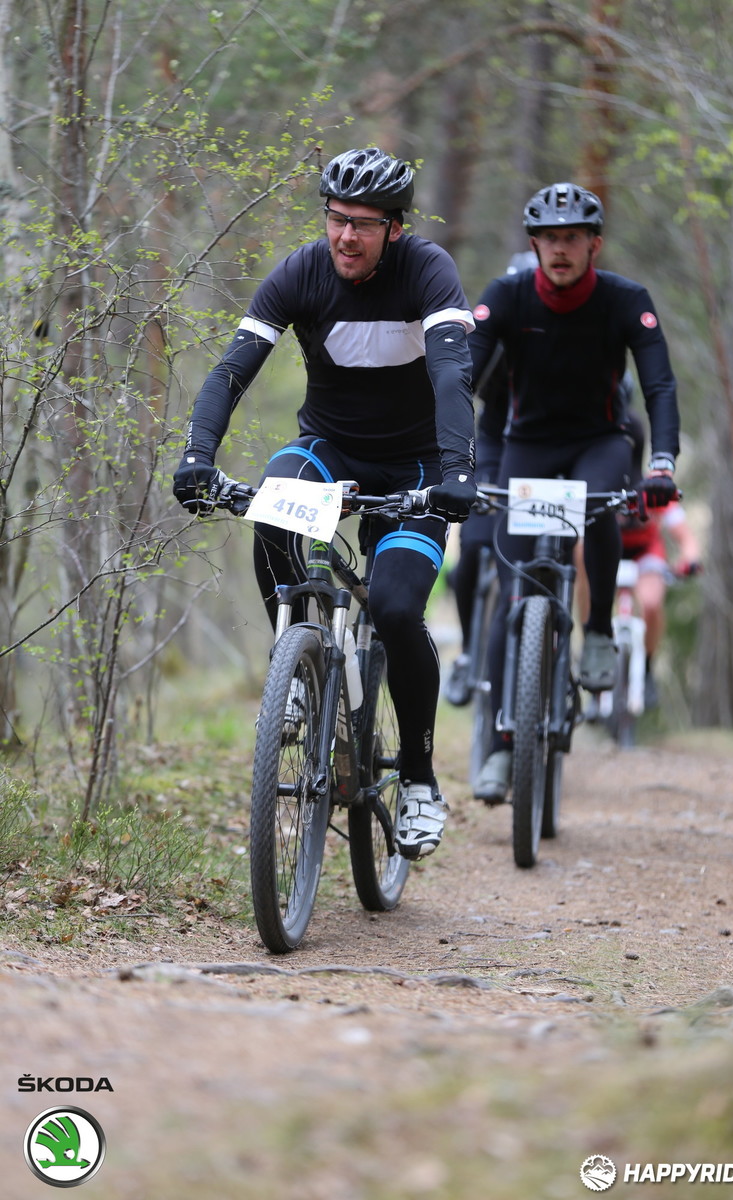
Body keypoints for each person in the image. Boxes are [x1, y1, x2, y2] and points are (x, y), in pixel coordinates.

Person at [173, 146, 477, 859]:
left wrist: (458, 470)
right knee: (273, 510)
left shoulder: (428, 271)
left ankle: (423, 782)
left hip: (421, 463)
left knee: (399, 610)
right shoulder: (301, 273)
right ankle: (298, 667)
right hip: (330, 451)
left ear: (394, 229)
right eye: (337, 220)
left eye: (364, 225)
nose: (346, 236)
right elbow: (231, 371)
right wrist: (197, 457)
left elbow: (452, 373)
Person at [467, 181, 681, 804]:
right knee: (517, 594)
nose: (559, 250)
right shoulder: (507, 296)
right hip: (528, 444)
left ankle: (596, 631)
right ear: (533, 244)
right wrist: (459, 459)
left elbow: (660, 387)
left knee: (598, 503)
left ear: (594, 244)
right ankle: (505, 752)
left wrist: (661, 462)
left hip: (600, 439)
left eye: (572, 239)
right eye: (549, 239)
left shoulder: (624, 301)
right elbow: (463, 374)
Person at [444, 253, 537, 707]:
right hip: (495, 453)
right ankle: (466, 651)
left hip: (546, 464)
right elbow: (470, 382)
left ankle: (546, 651)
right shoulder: (498, 340)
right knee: (474, 552)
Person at [617, 410, 702, 708]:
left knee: (651, 604)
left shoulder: (652, 491)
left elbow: (686, 537)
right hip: (609, 551)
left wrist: (689, 559)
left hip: (646, 554)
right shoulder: (597, 483)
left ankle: (648, 666)